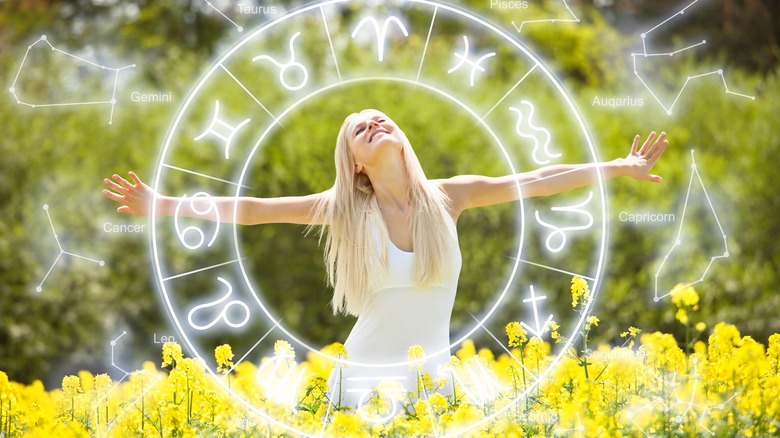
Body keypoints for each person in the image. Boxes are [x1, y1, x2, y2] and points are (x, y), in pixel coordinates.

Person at [102, 109, 668, 414]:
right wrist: (165, 204)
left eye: (379, 118)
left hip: (435, 388)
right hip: (362, 387)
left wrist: (617, 167)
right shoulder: (347, 211)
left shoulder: (449, 197)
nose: (373, 123)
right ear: (354, 165)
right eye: (358, 129)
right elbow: (253, 209)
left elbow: (537, 181)